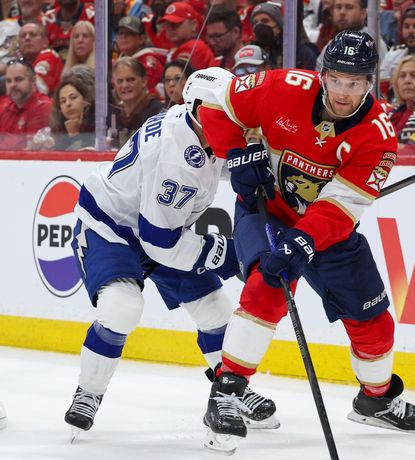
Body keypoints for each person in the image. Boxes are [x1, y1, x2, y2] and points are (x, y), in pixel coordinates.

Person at [197, 30, 415, 454]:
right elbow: (214, 103)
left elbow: (341, 206)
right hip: (266, 207)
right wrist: (235, 154)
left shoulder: (378, 136)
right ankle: (226, 393)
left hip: (327, 231)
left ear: (369, 83)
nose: (343, 92)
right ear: (323, 74)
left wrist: (304, 240)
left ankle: (375, 399)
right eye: (337, 79)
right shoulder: (282, 87)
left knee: (374, 321)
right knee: (267, 285)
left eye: (355, 83)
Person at [63, 67, 278, 439]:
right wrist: (228, 254)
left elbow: (221, 163)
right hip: (111, 227)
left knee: (215, 309)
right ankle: (89, 392)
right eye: (223, 112)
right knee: (122, 306)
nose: (233, 120)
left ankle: (231, 389)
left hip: (156, 224)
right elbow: (159, 243)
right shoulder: (177, 160)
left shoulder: (195, 122)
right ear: (197, 108)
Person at [0, 58, 52, 150]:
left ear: (33, 81)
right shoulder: (3, 108)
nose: (12, 85)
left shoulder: (42, 106)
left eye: (18, 80)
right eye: (9, 81)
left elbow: (30, 152)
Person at [33, 65, 96, 151]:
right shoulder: (56, 129)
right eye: (62, 101)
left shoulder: (98, 122)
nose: (68, 104)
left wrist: (74, 134)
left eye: (73, 97)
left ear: (85, 99)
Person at [108, 57, 165, 148]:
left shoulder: (159, 112)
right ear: (114, 85)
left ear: (144, 81)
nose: (125, 85)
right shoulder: (113, 114)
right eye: (120, 81)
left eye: (130, 80)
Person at [116, 15, 166, 97]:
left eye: (129, 33)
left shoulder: (149, 62)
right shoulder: (118, 61)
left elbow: (145, 94)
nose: (123, 37)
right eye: (120, 33)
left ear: (141, 38)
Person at [159, 1, 216, 70]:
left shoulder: (194, 47)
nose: (170, 28)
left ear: (193, 25)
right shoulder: (179, 47)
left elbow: (178, 79)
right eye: (167, 24)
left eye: (175, 24)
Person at [18, 23, 64, 96]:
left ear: (45, 42)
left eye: (33, 35)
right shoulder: (21, 61)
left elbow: (39, 89)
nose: (27, 38)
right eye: (23, 36)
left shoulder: (49, 55)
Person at [206, 5, 244, 71]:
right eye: (210, 37)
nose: (212, 42)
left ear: (235, 32)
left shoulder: (255, 63)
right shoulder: (215, 65)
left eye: (217, 36)